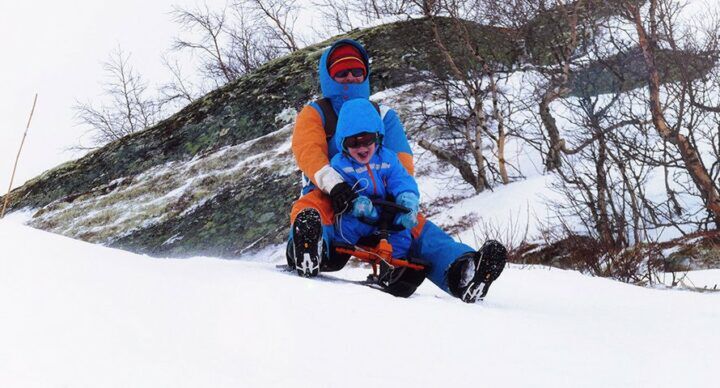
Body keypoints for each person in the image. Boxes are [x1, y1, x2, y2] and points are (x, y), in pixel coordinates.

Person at [288, 39, 506, 302]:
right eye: (342, 72)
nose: (351, 77)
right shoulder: (315, 113)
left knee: (419, 229)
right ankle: (309, 247)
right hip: (332, 192)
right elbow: (308, 152)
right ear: (329, 75)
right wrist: (335, 186)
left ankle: (463, 270)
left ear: (365, 74)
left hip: (381, 196)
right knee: (311, 208)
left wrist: (404, 199)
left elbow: (401, 162)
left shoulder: (384, 115)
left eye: (357, 71)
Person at [330, 99, 420, 261]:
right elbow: (343, 186)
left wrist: (408, 202)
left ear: (377, 137)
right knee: (346, 228)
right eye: (353, 142)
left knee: (402, 233)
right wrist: (356, 203)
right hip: (359, 214)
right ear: (343, 144)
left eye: (367, 140)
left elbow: (400, 180)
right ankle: (333, 256)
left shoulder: (388, 158)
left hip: (386, 213)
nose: (362, 148)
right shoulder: (340, 164)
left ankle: (396, 266)